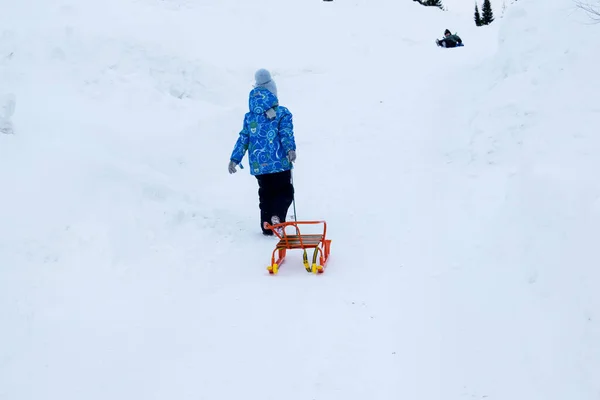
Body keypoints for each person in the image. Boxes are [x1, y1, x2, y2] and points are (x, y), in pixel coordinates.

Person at [228, 69, 297, 236]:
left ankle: (266, 224)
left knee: (266, 193)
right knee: (285, 191)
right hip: (279, 162)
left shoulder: (249, 117)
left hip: (260, 165)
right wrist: (290, 149)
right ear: (273, 93)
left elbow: (244, 138)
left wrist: (235, 158)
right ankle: (277, 218)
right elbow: (285, 133)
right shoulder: (282, 113)